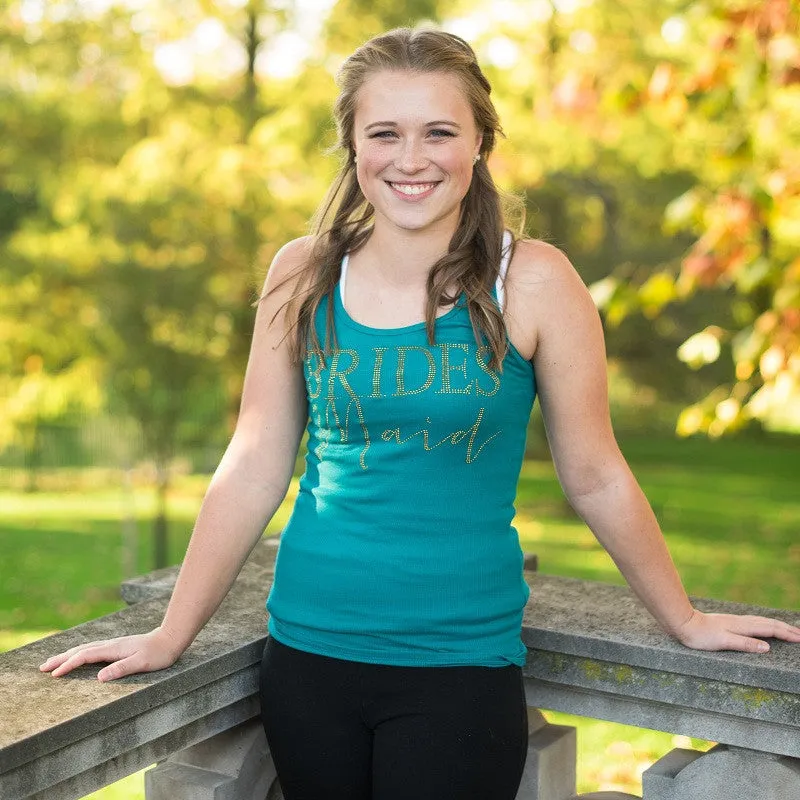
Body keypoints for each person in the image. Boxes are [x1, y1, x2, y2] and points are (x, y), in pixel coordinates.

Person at [40, 26, 800, 800]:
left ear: (479, 143)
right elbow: (255, 460)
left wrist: (685, 619)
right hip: (307, 657)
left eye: (439, 132)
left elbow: (596, 473)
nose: (411, 159)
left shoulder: (533, 281)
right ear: (352, 145)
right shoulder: (302, 271)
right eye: (385, 134)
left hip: (459, 669)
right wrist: (174, 633)